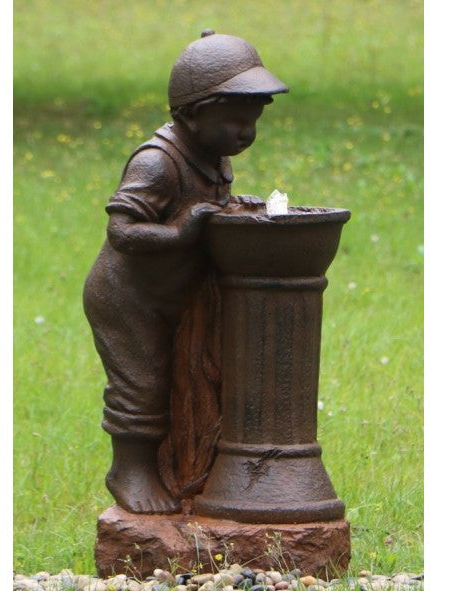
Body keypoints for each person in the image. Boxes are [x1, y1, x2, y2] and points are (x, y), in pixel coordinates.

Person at [83, 32, 288, 513]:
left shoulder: (212, 156)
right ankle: (129, 470)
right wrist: (177, 233)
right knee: (143, 384)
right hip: (127, 298)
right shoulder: (157, 162)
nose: (246, 133)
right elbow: (123, 231)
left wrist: (233, 208)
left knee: (188, 379)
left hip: (170, 295)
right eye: (235, 119)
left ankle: (182, 469)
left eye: (253, 120)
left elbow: (205, 206)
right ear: (192, 113)